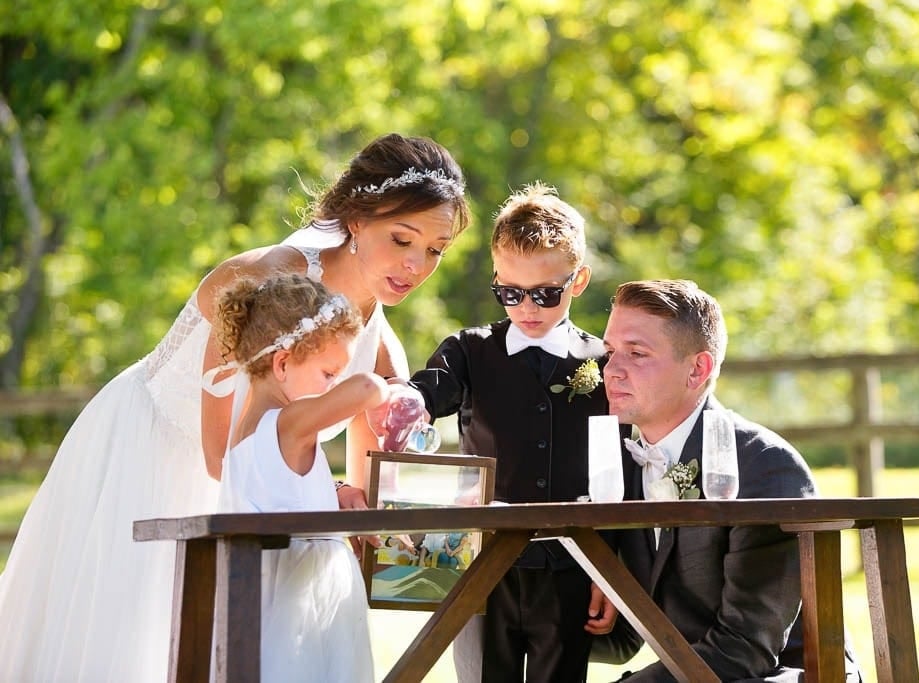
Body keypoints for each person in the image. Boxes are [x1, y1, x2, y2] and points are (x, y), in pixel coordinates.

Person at [0, 132, 470, 682]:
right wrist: (325, 496)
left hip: (261, 485)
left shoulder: (382, 346)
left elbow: (370, 491)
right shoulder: (269, 281)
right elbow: (221, 457)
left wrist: (413, 541)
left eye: (435, 250)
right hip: (159, 451)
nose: (416, 265)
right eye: (402, 239)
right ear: (357, 221)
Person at [400, 183, 626, 682]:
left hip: (571, 567)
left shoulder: (604, 364)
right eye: (509, 292)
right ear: (497, 279)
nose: (527, 307)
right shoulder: (468, 350)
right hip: (481, 567)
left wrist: (607, 571)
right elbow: (423, 396)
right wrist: (404, 404)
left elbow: (620, 470)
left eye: (546, 293)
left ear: (578, 281)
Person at [588, 279, 863, 682]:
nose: (611, 370)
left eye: (637, 353)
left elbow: (746, 648)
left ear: (697, 369)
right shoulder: (622, 465)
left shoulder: (765, 466)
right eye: (610, 352)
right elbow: (626, 635)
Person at [211, 274, 385, 682]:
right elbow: (367, 386)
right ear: (283, 362)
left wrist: (334, 492)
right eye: (329, 373)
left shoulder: (247, 431)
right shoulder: (287, 424)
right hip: (304, 607)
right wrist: (390, 394)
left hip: (262, 604)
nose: (334, 386)